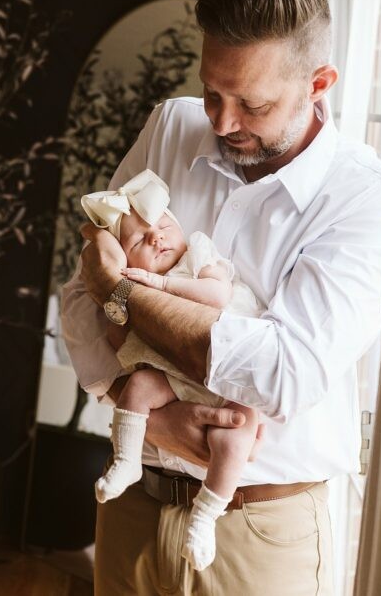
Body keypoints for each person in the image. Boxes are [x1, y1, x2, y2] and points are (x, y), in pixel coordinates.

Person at [61, 0, 381, 595]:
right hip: (133, 506)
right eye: (212, 91)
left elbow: (281, 376)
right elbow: (80, 295)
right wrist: (150, 420)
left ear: (319, 84)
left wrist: (124, 293)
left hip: (260, 532)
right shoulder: (169, 127)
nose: (220, 120)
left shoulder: (365, 197)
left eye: (252, 103)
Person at [80, 168, 265, 571]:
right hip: (174, 376)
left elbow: (218, 296)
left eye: (163, 225)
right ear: (125, 259)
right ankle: (126, 459)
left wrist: (160, 286)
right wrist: (124, 287)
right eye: (139, 240)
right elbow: (116, 339)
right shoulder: (133, 286)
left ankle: (205, 516)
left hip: (227, 378)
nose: (156, 237)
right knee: (140, 385)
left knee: (239, 432)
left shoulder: (195, 255)